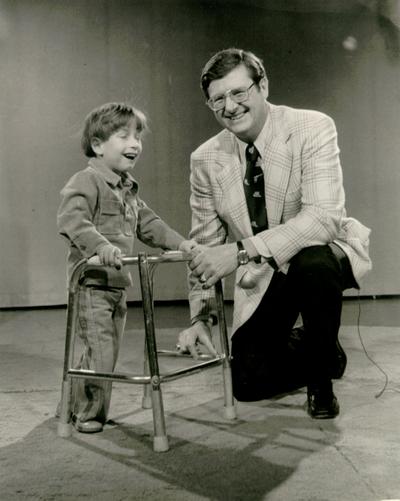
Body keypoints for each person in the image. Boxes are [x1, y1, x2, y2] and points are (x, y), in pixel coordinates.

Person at [178, 48, 372, 419]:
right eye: (218, 99)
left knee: (311, 259)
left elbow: (323, 218)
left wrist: (239, 251)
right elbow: (205, 244)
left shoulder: (312, 126)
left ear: (263, 85)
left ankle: (320, 383)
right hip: (266, 273)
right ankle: (324, 350)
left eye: (239, 93)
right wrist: (200, 316)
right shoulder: (204, 159)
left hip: (321, 257)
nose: (230, 106)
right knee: (247, 381)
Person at [57, 102, 195, 433]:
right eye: (124, 136)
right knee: (102, 351)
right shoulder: (86, 181)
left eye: (138, 137)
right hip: (91, 284)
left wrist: (180, 243)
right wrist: (100, 246)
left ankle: (71, 404)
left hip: (117, 283)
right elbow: (72, 220)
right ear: (98, 145)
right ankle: (89, 413)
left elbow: (150, 224)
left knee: (102, 351)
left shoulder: (127, 188)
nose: (135, 144)